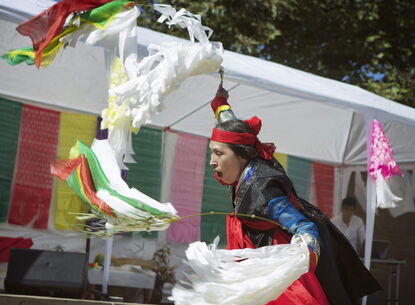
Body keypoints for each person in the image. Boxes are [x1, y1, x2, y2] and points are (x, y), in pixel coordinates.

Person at [208, 86, 381, 305]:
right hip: (255, 251)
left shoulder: (263, 187)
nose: (212, 161)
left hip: (272, 258)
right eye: (212, 151)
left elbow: (304, 227)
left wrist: (301, 256)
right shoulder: (245, 150)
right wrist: (221, 102)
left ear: (242, 156)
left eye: (218, 153)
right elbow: (227, 119)